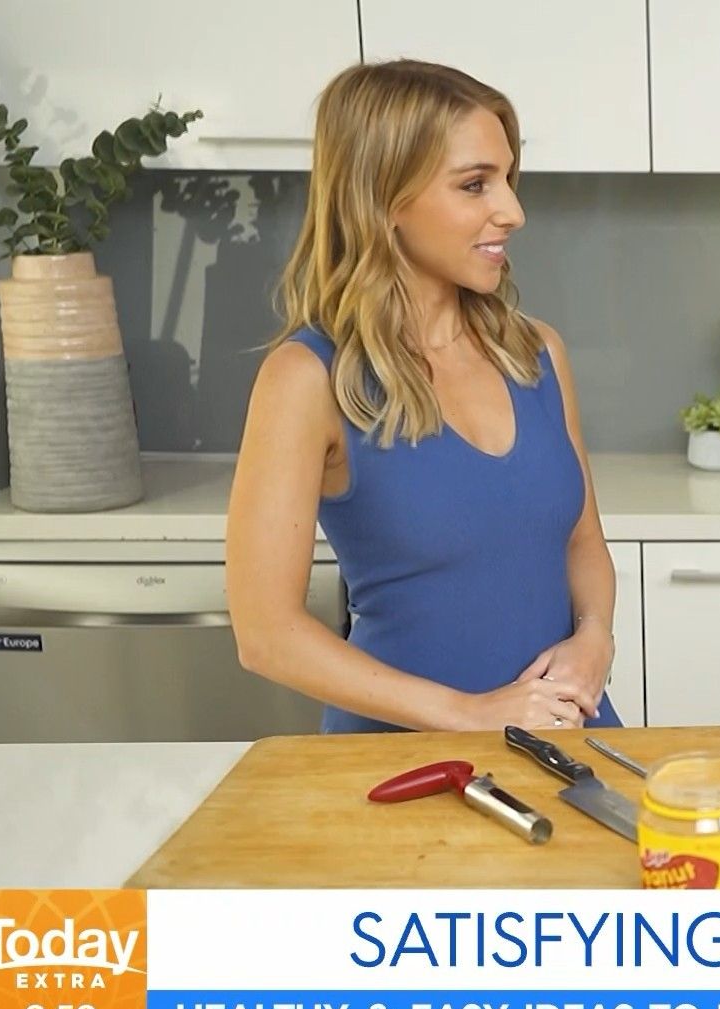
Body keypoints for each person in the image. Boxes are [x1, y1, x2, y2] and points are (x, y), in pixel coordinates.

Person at [226, 60, 621, 734]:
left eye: (508, 179)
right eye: (474, 184)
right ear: (383, 199)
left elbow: (583, 542)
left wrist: (595, 640)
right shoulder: (307, 378)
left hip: (563, 732)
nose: (513, 212)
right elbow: (265, 633)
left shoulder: (537, 355)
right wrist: (471, 714)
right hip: (404, 758)